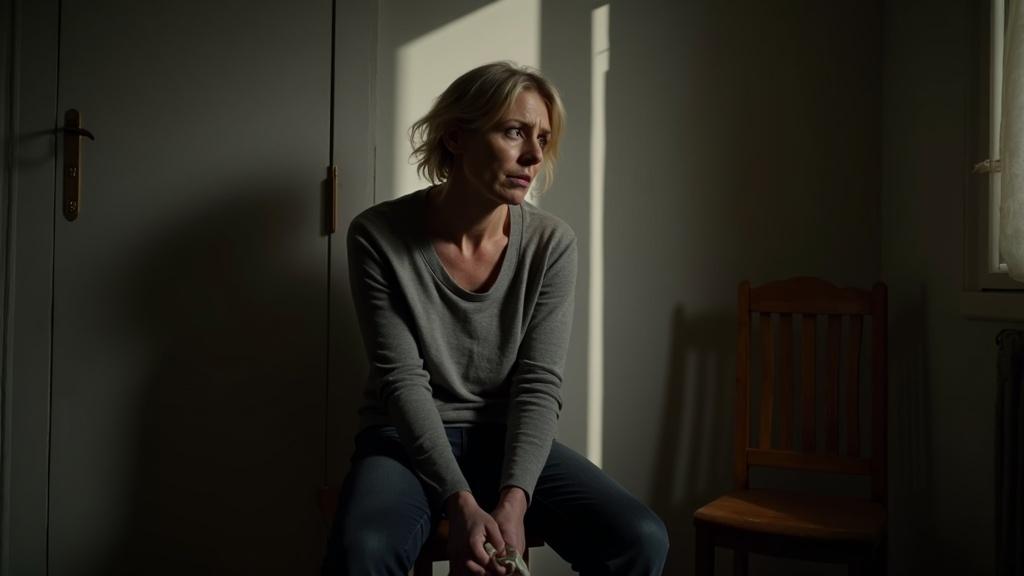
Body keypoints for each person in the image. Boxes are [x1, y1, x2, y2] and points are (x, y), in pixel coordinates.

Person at [323, 61, 669, 576]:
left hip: (506, 439)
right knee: (364, 550)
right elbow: (401, 381)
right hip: (403, 442)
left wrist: (515, 498)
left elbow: (538, 383)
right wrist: (459, 501)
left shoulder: (552, 244)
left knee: (640, 537)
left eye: (543, 138)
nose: (534, 156)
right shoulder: (377, 235)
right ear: (456, 137)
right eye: (514, 132)